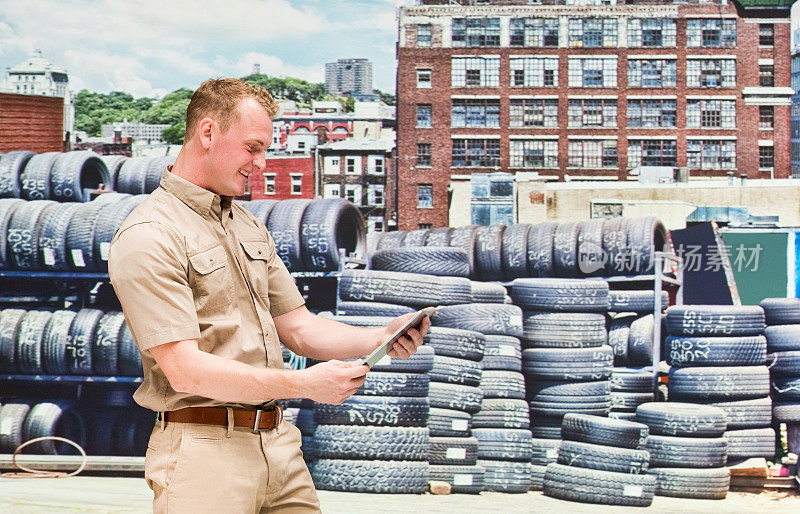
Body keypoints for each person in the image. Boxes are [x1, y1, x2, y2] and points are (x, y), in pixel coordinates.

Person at [108, 78, 430, 513]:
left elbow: (299, 327)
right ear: (207, 133)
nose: (261, 163)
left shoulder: (247, 224)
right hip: (205, 454)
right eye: (253, 147)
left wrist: (382, 335)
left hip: (278, 446)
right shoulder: (150, 235)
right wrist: (305, 385)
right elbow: (185, 371)